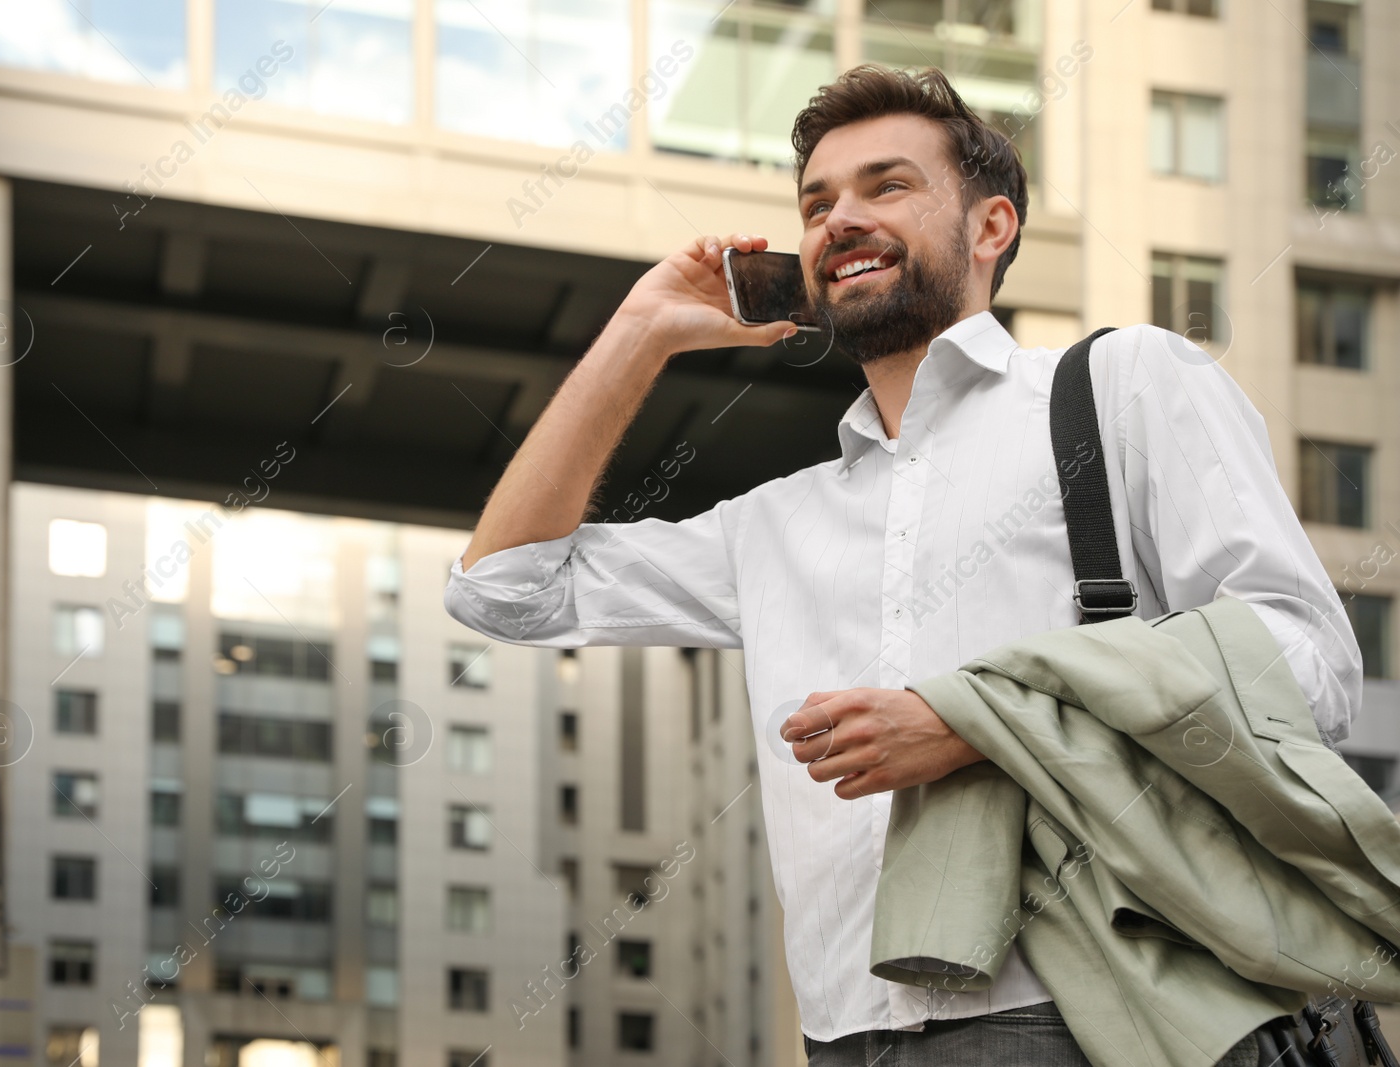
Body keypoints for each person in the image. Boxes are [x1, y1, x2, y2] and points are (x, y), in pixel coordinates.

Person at [443, 64, 1361, 1065]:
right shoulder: (774, 524)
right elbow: (503, 590)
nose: (840, 217)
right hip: (842, 1033)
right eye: (816, 202)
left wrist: (975, 720)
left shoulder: (1124, 388)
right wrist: (640, 332)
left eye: (886, 186)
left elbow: (1304, 668)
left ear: (990, 228)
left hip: (1100, 1007)